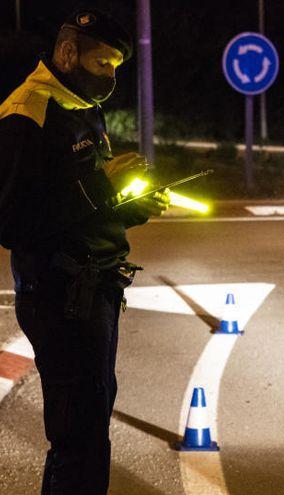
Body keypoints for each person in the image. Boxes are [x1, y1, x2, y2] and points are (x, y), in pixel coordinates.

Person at [0, 9, 169, 494]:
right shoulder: (27, 111)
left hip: (96, 287)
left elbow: (82, 201)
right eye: (103, 63)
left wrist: (131, 205)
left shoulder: (79, 104)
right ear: (68, 52)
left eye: (117, 65)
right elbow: (13, 221)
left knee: (91, 429)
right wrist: (102, 184)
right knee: (76, 440)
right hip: (60, 293)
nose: (112, 76)